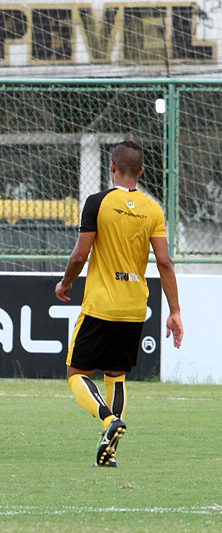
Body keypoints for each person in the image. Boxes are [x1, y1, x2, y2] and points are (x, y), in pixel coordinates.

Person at [55, 140, 183, 467]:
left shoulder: (97, 203)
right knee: (116, 375)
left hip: (101, 305)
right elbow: (165, 263)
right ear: (141, 171)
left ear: (112, 168)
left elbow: (80, 255)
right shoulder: (153, 210)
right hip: (135, 308)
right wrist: (175, 311)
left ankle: (107, 421)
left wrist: (66, 282)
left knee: (76, 372)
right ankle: (109, 453)